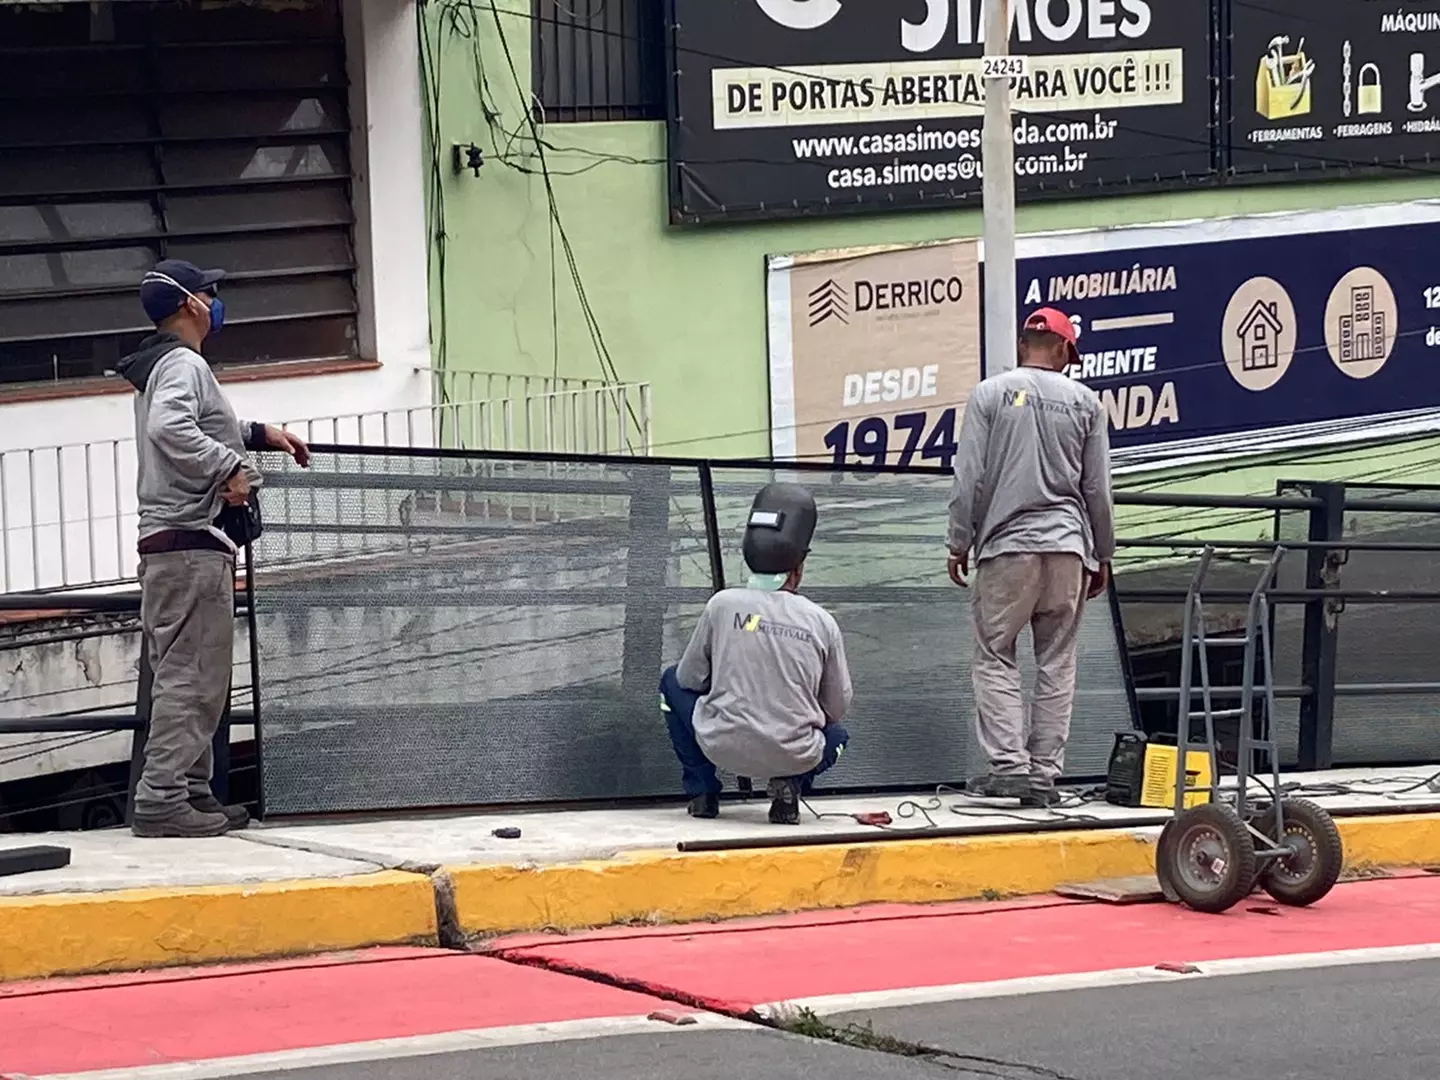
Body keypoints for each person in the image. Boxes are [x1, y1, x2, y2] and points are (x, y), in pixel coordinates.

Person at [117, 259, 310, 838]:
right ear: (188, 305)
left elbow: (198, 420)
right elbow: (172, 429)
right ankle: (162, 800)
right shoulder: (182, 362)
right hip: (189, 544)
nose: (215, 300)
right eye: (209, 292)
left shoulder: (164, 365)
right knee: (192, 678)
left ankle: (192, 794)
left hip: (176, 545)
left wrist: (255, 434)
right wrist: (231, 465)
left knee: (197, 675)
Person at [945, 307, 1116, 808]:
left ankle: (1011, 767)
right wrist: (1102, 553)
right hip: (1068, 550)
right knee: (1057, 661)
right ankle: (1043, 773)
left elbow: (969, 477)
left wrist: (959, 541)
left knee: (996, 653)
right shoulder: (1086, 403)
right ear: (1065, 351)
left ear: (1024, 346)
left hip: (1006, 548)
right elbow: (1097, 489)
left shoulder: (989, 394)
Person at [659, 483, 853, 825]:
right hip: (796, 753)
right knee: (837, 736)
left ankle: (703, 793)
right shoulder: (822, 622)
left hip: (720, 745)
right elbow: (836, 708)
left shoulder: (722, 605)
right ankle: (789, 786)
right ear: (798, 569)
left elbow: (688, 678)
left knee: (668, 683)